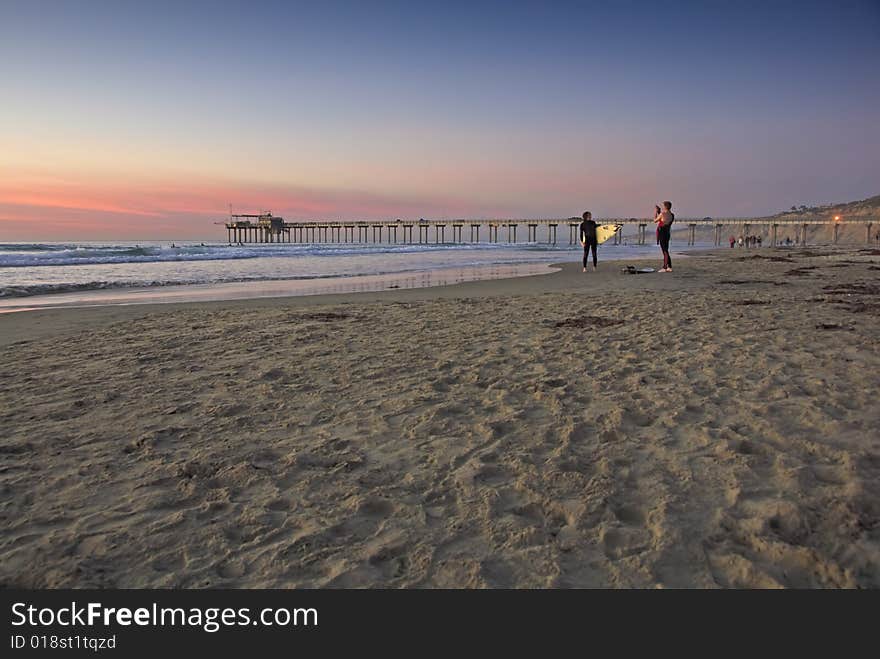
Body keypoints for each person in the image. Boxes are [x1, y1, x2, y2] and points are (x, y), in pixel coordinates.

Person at [656, 201, 674, 272]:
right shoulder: (672, 215)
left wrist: (656, 212)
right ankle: (669, 266)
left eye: (663, 206)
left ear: (665, 207)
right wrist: (659, 212)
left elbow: (655, 220)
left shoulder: (662, 214)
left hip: (662, 232)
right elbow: (665, 220)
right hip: (667, 233)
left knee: (664, 250)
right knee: (666, 249)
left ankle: (665, 267)